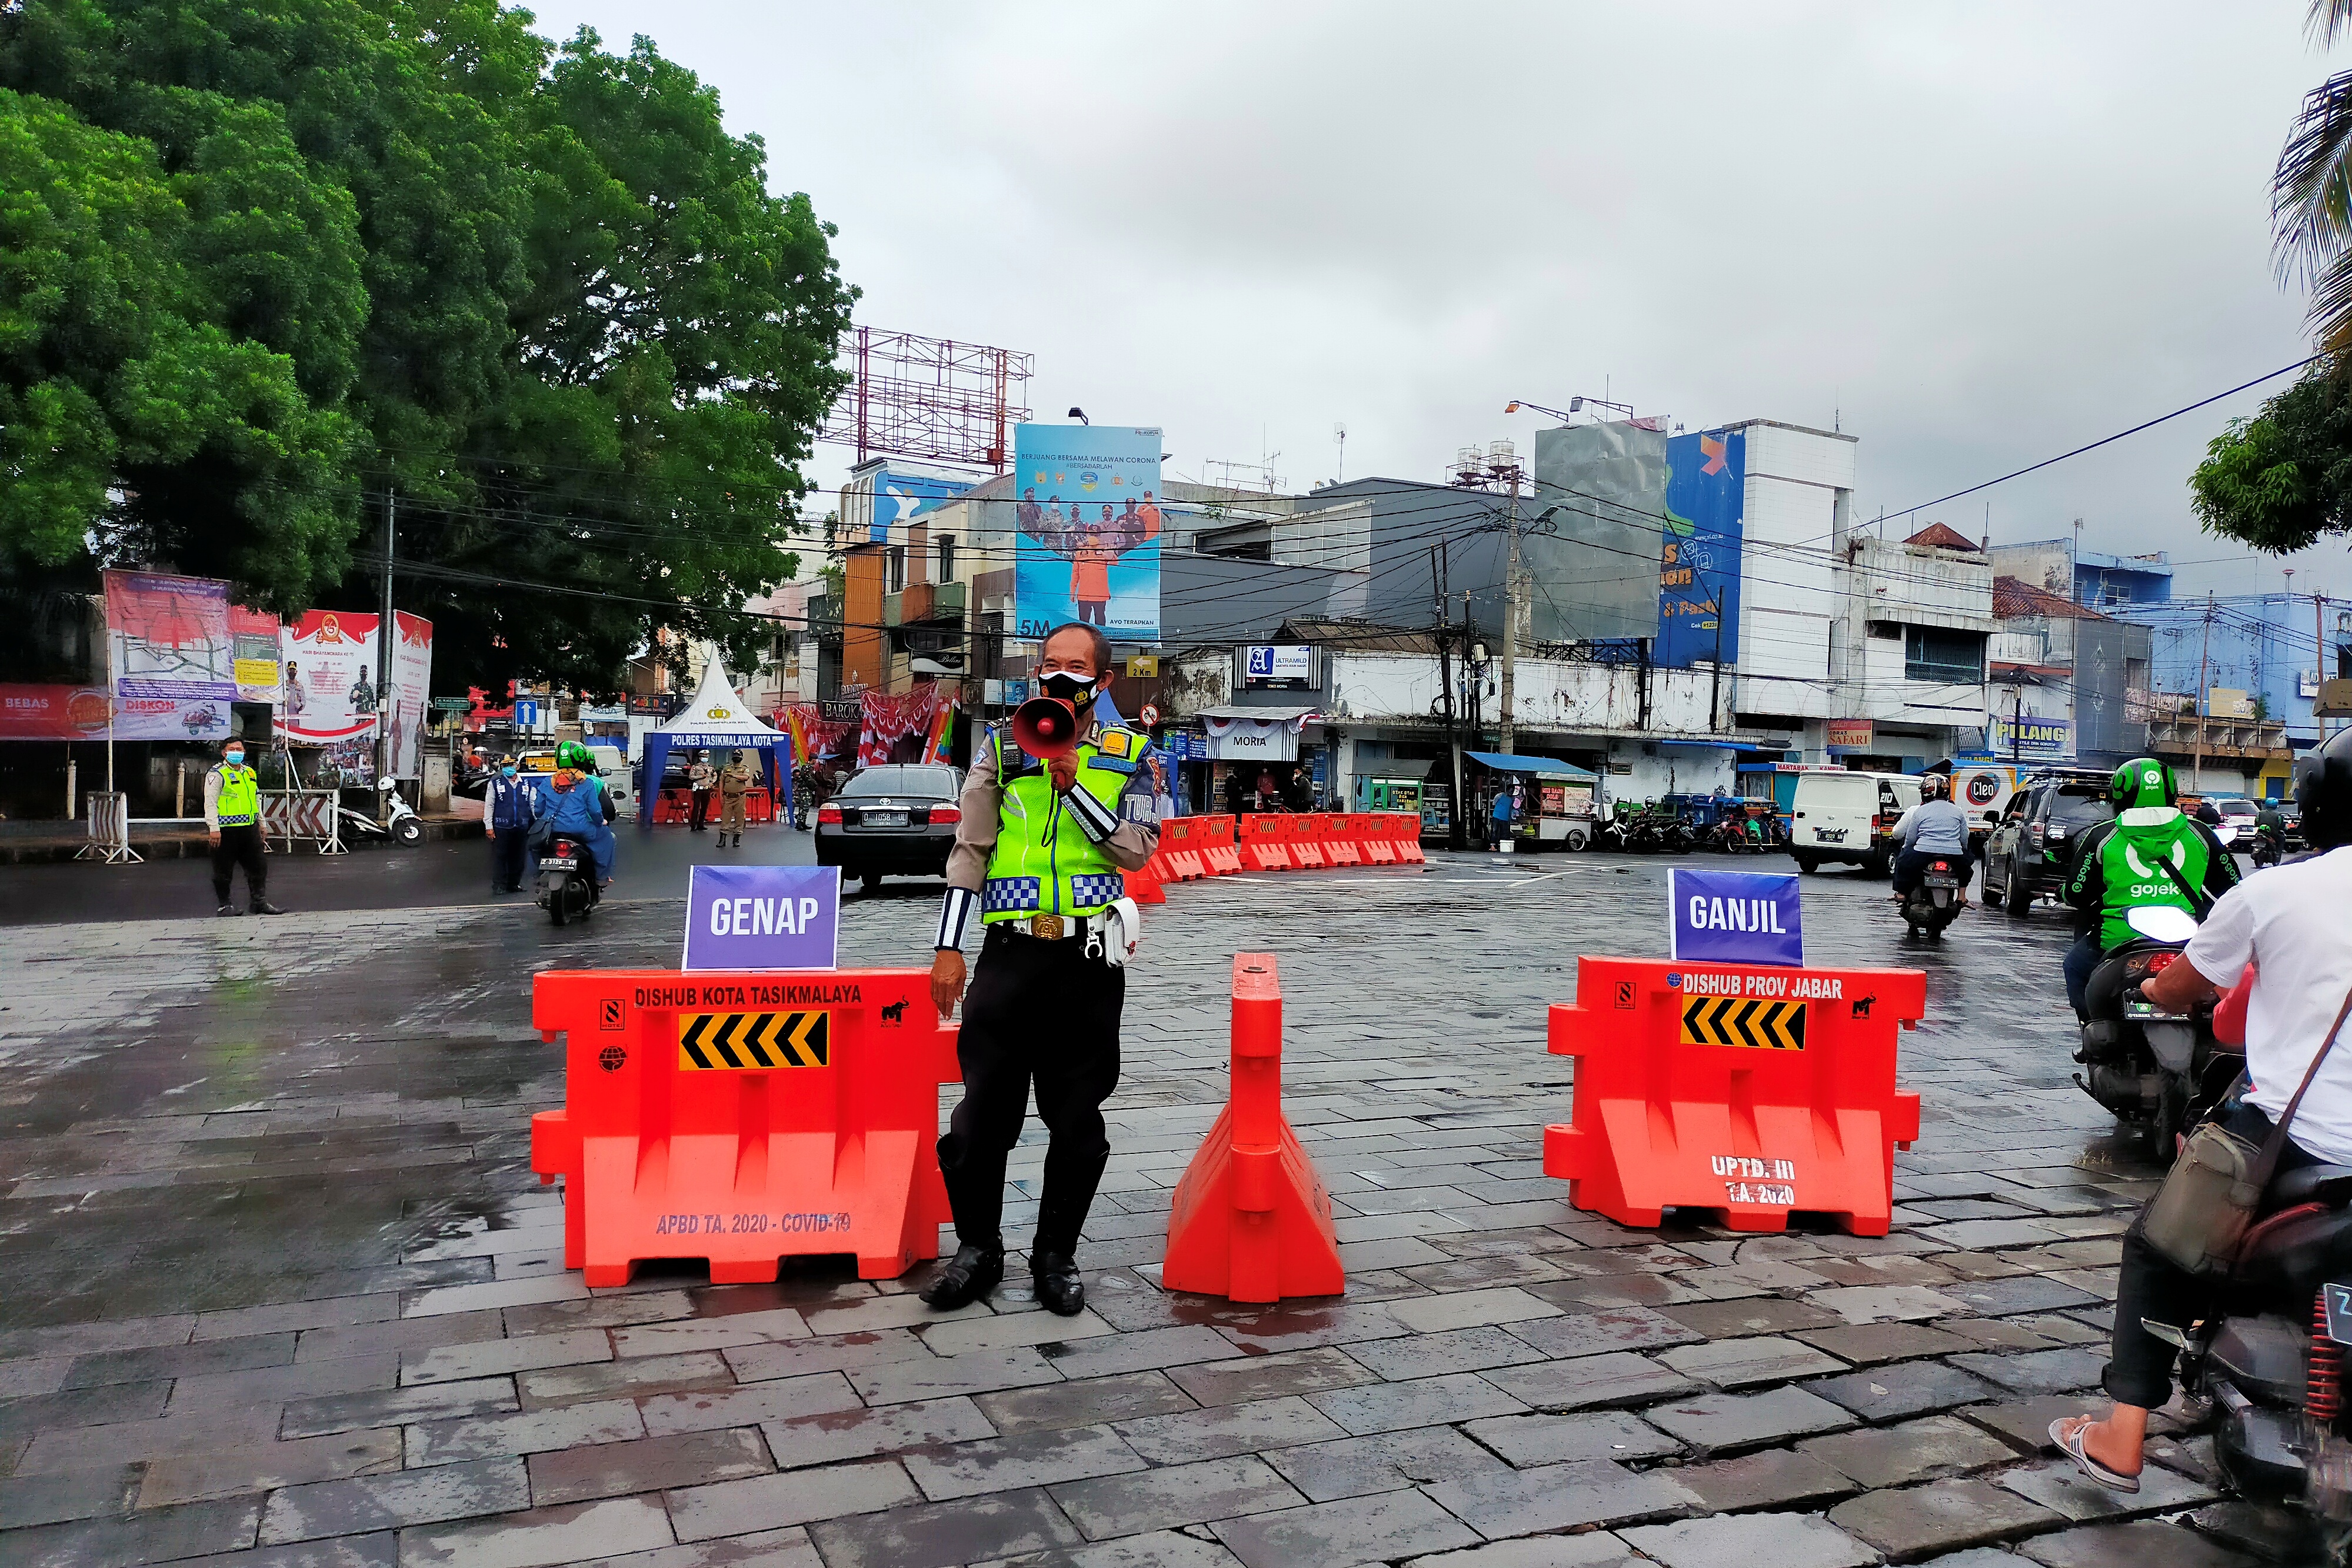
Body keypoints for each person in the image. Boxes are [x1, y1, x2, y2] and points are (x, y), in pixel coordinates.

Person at [2052, 725, 2352, 1492]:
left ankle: (2121, 1438)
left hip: (2291, 1135)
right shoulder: (2206, 848)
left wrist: (2154, 991)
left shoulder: (2275, 891)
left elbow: (2203, 1006)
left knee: (2157, 1249)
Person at [923, 622, 1160, 1317]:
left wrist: (1074, 787)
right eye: (1049, 664)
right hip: (1008, 955)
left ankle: (1055, 1255)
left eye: (1074, 667)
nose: (1057, 677)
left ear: (1102, 681)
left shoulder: (1132, 754)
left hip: (1085, 963)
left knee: (1077, 1117)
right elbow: (970, 852)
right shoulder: (999, 747)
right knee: (978, 1116)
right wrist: (947, 947)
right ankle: (978, 1250)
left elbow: (1136, 851)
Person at [2061, 758, 2240, 1019]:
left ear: (2119, 794)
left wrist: (2064, 892)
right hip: (2188, 940)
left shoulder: (2102, 835)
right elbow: (2232, 888)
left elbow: (2077, 895)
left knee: (2075, 968)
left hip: (2118, 941)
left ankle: (2092, 1030)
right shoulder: (2200, 832)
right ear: (2171, 792)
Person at [204, 736, 283, 916]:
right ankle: (225, 906)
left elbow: (255, 800)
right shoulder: (217, 774)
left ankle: (259, 902)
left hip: (249, 829)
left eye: (240, 750)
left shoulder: (250, 773)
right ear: (224, 753)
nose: (237, 753)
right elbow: (210, 802)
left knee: (259, 867)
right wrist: (213, 828)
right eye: (233, 750)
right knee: (223, 871)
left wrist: (262, 823)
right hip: (225, 831)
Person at [537, 740, 617, 886]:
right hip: (581, 830)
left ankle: (540, 873)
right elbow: (595, 811)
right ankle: (602, 877)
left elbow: (538, 810)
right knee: (607, 837)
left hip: (552, 830)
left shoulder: (547, 782)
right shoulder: (587, 783)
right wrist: (601, 822)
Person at [1890, 773, 1976, 903]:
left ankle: (1902, 893)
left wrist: (1906, 850)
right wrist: (1963, 851)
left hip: (1924, 852)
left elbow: (1911, 839)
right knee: (1966, 869)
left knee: (1903, 861)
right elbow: (1964, 837)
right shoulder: (1957, 810)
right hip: (1954, 854)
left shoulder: (1919, 810)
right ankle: (1961, 897)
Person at [483, 756, 538, 894]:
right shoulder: (495, 783)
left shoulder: (527, 784)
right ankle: (499, 885)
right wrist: (488, 827)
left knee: (519, 858)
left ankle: (514, 884)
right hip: (501, 827)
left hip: (521, 826)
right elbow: (489, 805)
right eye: (505, 766)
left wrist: (538, 821)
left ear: (517, 767)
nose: (508, 768)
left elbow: (533, 805)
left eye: (511, 765)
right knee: (500, 857)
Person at [718, 751, 757, 849]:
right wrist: (720, 796)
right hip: (728, 797)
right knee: (725, 818)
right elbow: (721, 782)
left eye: (738, 756)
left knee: (740, 818)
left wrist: (734, 776)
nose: (736, 758)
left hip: (740, 797)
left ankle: (736, 839)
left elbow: (746, 778)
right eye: (735, 757)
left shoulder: (744, 768)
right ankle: (722, 840)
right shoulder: (727, 768)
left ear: (742, 757)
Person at [688, 749, 715, 833]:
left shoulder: (710, 767)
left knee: (704, 807)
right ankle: (693, 825)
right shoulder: (696, 767)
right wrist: (700, 776)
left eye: (706, 756)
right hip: (698, 789)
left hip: (707, 789)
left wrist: (712, 783)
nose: (705, 758)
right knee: (696, 807)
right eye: (703, 757)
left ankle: (701, 824)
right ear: (700, 758)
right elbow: (691, 777)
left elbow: (715, 776)